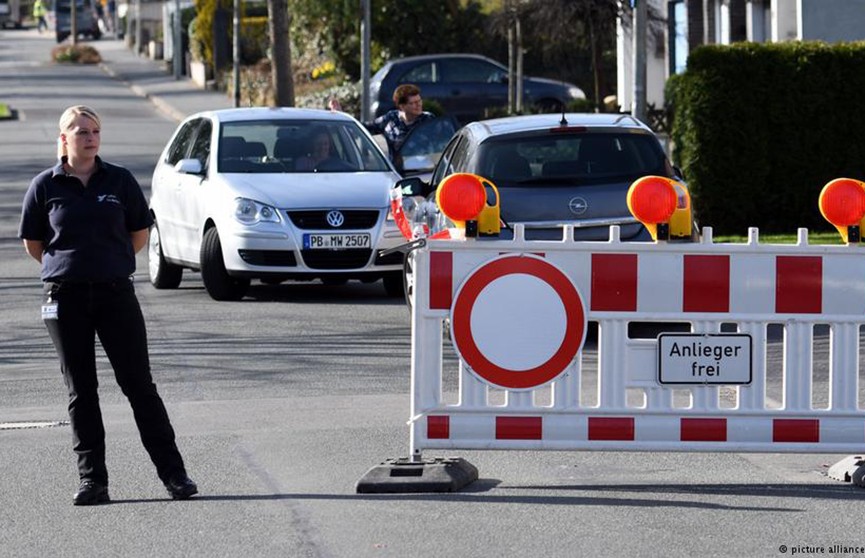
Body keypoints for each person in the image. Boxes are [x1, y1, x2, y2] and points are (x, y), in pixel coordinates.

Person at [18, 106, 197, 506]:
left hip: (116, 293)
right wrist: (70, 266)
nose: (90, 137)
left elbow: (137, 234)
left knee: (139, 386)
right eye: (81, 131)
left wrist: (109, 263)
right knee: (81, 390)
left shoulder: (120, 180)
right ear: (64, 139)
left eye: (95, 130)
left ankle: (175, 476)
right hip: (65, 299)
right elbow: (35, 244)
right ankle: (93, 481)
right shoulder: (45, 186)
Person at [330, 83, 435, 162]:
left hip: (424, 170)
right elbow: (363, 128)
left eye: (419, 101)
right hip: (398, 172)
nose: (419, 105)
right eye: (413, 103)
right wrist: (341, 114)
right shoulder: (391, 119)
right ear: (402, 106)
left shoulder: (428, 119)